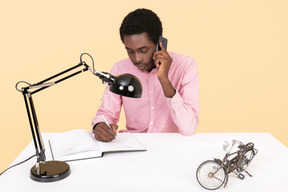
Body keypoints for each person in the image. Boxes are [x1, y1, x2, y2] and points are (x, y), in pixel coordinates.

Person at [92, 8, 199, 142]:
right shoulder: (120, 69)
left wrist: (164, 79)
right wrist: (99, 126)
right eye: (130, 51)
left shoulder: (185, 66)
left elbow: (188, 127)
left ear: (159, 44)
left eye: (143, 50)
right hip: (133, 146)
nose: (137, 59)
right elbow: (107, 113)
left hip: (172, 146)